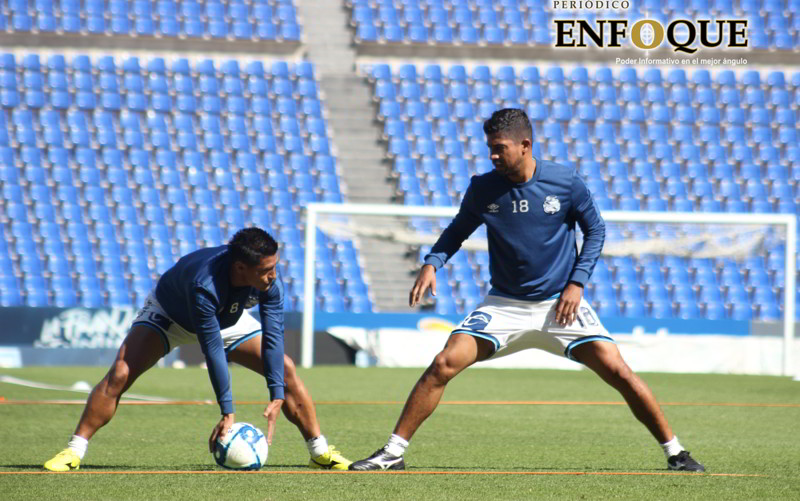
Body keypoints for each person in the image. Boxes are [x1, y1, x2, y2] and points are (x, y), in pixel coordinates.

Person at [349, 108, 704, 472]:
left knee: (619, 372)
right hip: (504, 305)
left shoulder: (564, 182)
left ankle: (675, 452)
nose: (492, 155)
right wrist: (431, 263)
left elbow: (596, 230)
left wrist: (576, 283)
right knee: (443, 364)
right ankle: (393, 454)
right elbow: (457, 231)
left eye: (499, 148)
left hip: (560, 306)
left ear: (525, 145)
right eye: (489, 148)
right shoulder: (483, 188)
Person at [45, 227, 351, 471]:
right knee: (120, 374)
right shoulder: (205, 285)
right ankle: (74, 452)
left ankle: (320, 452)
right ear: (241, 267)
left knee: (285, 369)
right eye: (267, 269)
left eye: (275, 267)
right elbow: (213, 348)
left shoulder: (269, 282)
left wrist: (277, 394)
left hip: (228, 317)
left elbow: (273, 336)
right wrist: (227, 412)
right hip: (170, 316)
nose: (273, 275)